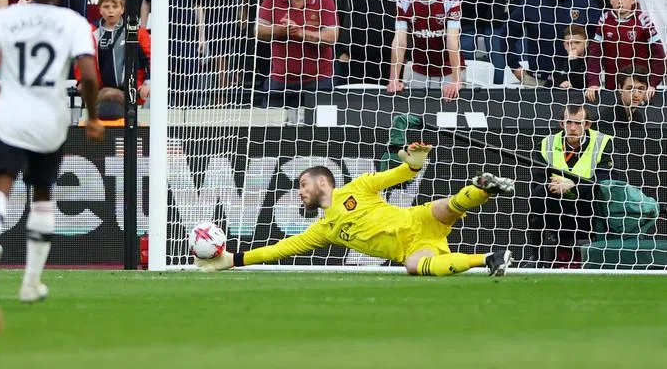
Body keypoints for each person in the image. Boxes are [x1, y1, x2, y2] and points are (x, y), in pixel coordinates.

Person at [0, 0, 103, 301]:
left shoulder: (7, 17)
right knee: (42, 194)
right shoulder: (73, 22)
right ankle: (30, 283)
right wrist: (91, 116)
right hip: (50, 118)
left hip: (11, 114)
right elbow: (88, 75)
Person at [197, 144, 514, 276]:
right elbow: (280, 249)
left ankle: (484, 187)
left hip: (416, 218)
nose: (299, 191)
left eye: (303, 184)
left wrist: (413, 165)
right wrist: (233, 260)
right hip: (411, 247)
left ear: (323, 182)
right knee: (415, 268)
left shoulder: (358, 187)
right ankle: (488, 258)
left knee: (448, 207)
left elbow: (397, 175)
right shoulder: (325, 229)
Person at [528, 102, 614, 267]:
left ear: (587, 125)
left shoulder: (604, 143)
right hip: (557, 204)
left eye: (578, 123)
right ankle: (536, 260)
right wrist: (551, 186)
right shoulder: (546, 144)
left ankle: (602, 257)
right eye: (568, 122)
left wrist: (573, 185)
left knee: (604, 193)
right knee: (536, 198)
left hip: (590, 208)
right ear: (562, 124)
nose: (572, 128)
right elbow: (537, 182)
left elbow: (608, 180)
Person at [254, 0, 338, 108]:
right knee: (273, 129)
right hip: (280, 80)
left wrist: (300, 33)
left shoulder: (324, 0)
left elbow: (331, 37)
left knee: (320, 130)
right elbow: (258, 31)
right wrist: (281, 30)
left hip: (319, 80)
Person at [387, 0, 463, 100]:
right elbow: (400, 42)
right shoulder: (404, 0)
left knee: (449, 114)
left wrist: (456, 80)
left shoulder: (451, 0)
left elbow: (453, 41)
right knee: (417, 113)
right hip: (419, 69)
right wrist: (394, 79)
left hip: (448, 70)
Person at [586, 0, 665, 98]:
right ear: (610, 0)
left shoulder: (643, 19)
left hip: (639, 87)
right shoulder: (604, 19)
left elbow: (658, 53)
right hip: (613, 86)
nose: (620, 1)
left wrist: (652, 83)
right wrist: (593, 83)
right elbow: (595, 54)